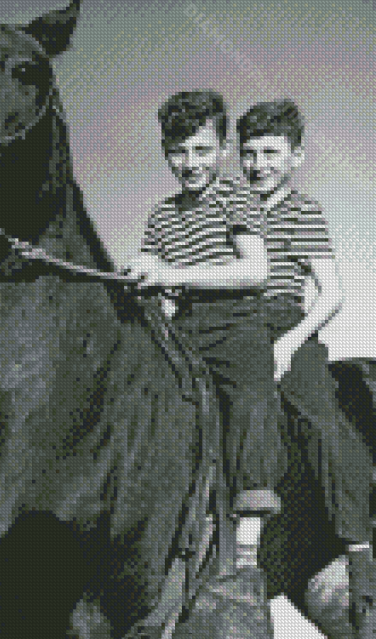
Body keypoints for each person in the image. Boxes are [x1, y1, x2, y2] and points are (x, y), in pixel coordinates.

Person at [123, 91, 284, 594]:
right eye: (178, 151)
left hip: (237, 323)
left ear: (222, 150)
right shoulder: (161, 215)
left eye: (201, 150)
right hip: (184, 325)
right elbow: (156, 280)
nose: (190, 163)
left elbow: (256, 270)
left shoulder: (236, 196)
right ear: (164, 150)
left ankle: (248, 547)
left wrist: (172, 273)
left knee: (252, 402)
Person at [236, 98, 375, 638]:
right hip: (231, 330)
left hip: (287, 326)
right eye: (249, 154)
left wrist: (291, 344)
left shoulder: (302, 211)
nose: (258, 164)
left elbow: (332, 293)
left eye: (270, 153)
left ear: (294, 156)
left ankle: (358, 551)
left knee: (322, 426)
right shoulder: (229, 212)